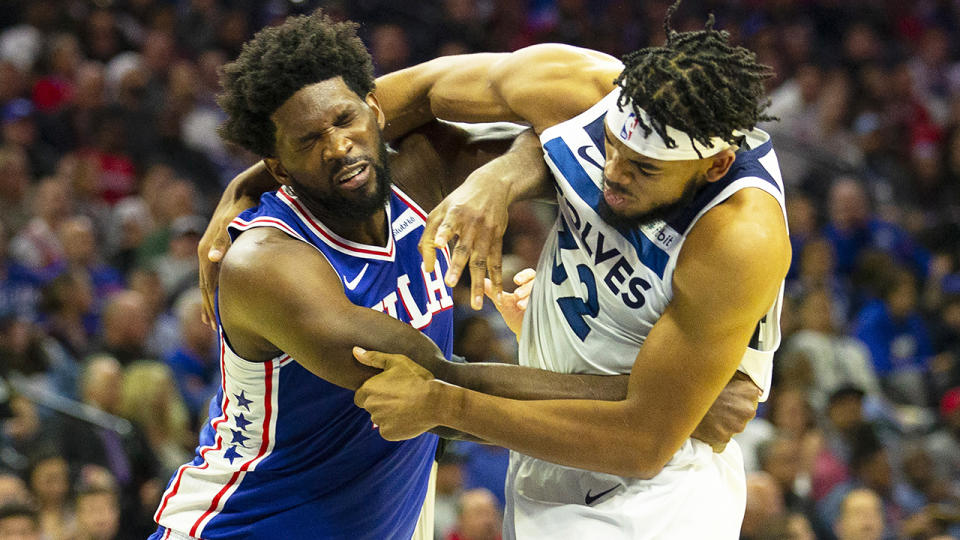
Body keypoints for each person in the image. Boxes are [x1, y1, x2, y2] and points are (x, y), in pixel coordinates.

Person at [179, 10, 760, 540]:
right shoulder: (266, 264)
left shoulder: (418, 172)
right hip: (252, 521)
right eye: (309, 141)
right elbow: (439, 387)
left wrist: (501, 178)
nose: (337, 147)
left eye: (344, 120)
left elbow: (556, 146)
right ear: (277, 166)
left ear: (375, 109)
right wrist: (676, 402)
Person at [349, 2, 790, 538]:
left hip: (654, 495)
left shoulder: (740, 237)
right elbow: (410, 93)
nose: (613, 174)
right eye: (610, 146)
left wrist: (446, 399)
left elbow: (642, 441)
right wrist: (261, 184)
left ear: (715, 166)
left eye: (644, 168)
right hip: (543, 453)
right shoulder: (580, 84)